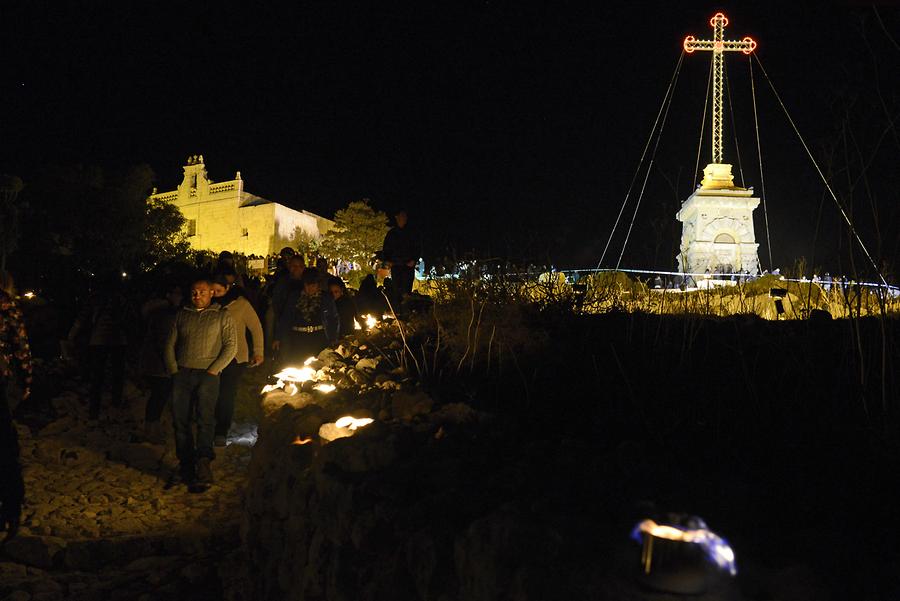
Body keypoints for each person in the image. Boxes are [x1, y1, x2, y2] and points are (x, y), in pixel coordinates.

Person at [164, 278, 236, 489]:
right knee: (180, 419)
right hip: (183, 373)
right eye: (194, 292)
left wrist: (214, 370)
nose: (197, 296)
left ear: (211, 293)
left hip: (208, 373)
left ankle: (203, 462)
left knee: (205, 418)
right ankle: (185, 462)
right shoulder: (182, 314)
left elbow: (231, 345)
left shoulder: (222, 315)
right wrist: (174, 370)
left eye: (202, 292)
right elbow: (170, 343)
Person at [210, 274, 264, 447]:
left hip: (235, 356)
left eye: (219, 290)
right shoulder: (209, 305)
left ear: (227, 288)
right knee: (211, 392)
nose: (215, 294)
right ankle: (209, 424)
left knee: (226, 393)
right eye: (213, 291)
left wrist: (258, 351)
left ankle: (221, 429)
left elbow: (255, 327)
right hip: (211, 356)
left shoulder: (241, 305)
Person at [67, 273, 129, 420]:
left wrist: (71, 335)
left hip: (98, 340)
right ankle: (116, 405)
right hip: (119, 340)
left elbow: (82, 318)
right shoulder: (122, 299)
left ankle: (94, 409)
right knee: (117, 375)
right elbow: (129, 318)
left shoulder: (95, 298)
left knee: (97, 376)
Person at [0, 271, 31, 539]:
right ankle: (10, 511)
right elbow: (20, 347)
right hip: (2, 380)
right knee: (6, 450)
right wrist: (26, 382)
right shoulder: (7, 306)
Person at [137, 282, 183, 443]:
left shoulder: (157, 312)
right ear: (168, 295)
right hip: (159, 363)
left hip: (153, 362)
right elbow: (163, 341)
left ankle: (152, 429)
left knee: (158, 396)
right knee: (159, 396)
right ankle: (151, 431)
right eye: (176, 293)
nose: (180, 297)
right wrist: (169, 364)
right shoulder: (166, 314)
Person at [273, 268, 339, 366]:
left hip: (319, 338)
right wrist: (278, 337)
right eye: (307, 285)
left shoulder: (325, 298)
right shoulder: (295, 297)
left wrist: (334, 338)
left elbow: (333, 318)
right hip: (298, 339)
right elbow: (286, 318)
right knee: (297, 366)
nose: (310, 288)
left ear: (318, 285)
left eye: (313, 285)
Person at [266, 255, 305, 357]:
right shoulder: (283, 282)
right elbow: (277, 302)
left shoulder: (306, 282)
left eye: (299, 266)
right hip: (284, 320)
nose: (296, 269)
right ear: (289, 266)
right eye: (294, 266)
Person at [381, 208, 418, 311]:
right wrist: (387, 260)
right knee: (397, 290)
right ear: (397, 218)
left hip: (408, 265)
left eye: (404, 217)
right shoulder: (391, 234)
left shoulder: (411, 233)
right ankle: (398, 312)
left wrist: (414, 260)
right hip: (396, 265)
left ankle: (407, 311)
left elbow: (417, 248)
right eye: (401, 217)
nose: (402, 219)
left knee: (407, 290)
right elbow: (386, 248)